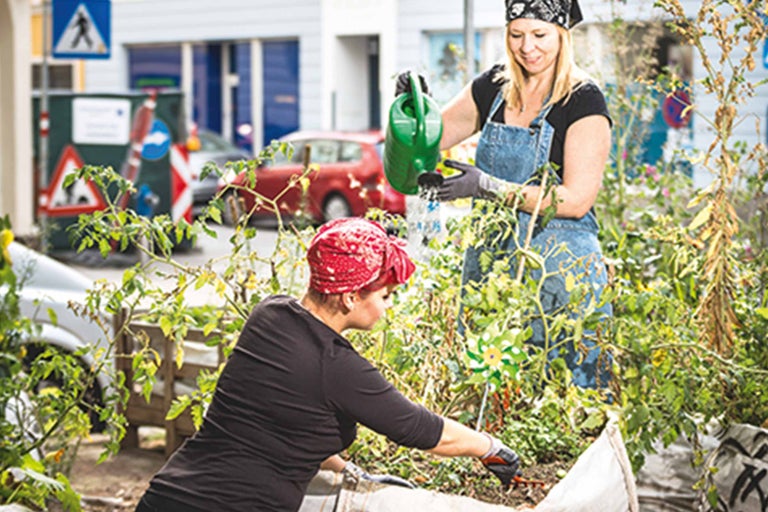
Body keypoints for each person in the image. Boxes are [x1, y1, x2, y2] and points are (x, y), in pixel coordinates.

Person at [135, 218, 521, 512]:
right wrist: (491, 447)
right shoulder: (336, 368)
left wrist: (348, 472)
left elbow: (285, 423)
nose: (388, 307)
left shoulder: (270, 315)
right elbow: (421, 429)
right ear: (351, 297)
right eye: (385, 296)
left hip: (167, 495)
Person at [395, 0, 612, 389]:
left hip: (560, 271)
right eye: (517, 35)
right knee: (490, 389)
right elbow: (431, 141)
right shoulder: (492, 88)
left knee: (566, 395)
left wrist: (488, 187)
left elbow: (576, 199)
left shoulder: (583, 100)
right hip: (492, 267)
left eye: (540, 35)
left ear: (562, 35)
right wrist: (414, 110)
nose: (527, 47)